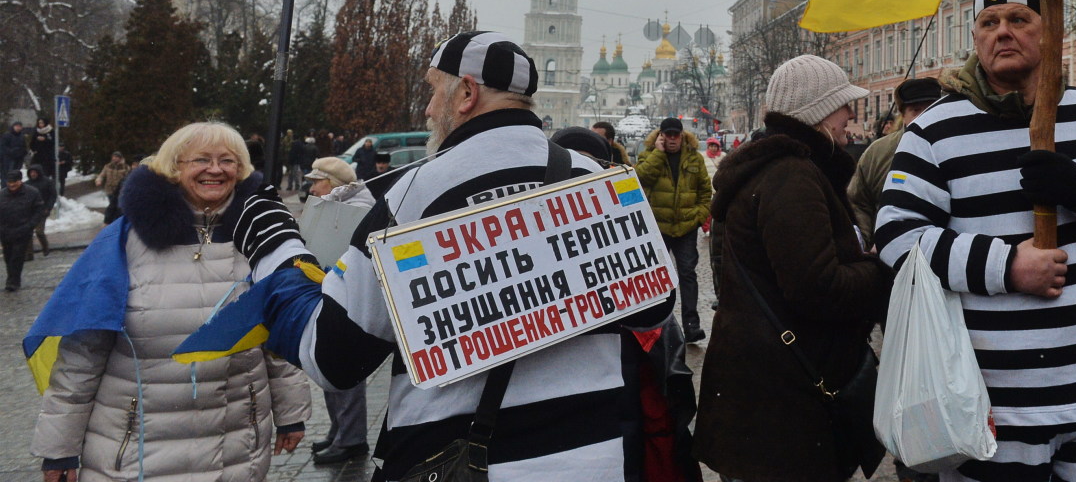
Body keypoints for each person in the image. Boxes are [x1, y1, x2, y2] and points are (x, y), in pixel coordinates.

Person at [225, 31, 674, 480]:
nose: (427, 108)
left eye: (432, 89)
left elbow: (333, 357)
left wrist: (276, 251)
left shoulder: (417, 195)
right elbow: (655, 308)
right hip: (593, 459)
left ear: (465, 93)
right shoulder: (595, 178)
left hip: (462, 463)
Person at [876, 0, 1076, 481]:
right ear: (975, 38)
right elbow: (897, 238)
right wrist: (1008, 266)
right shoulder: (933, 131)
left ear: (1048, 30)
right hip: (990, 409)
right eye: (989, 23)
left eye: (1018, 19)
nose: (1002, 32)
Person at [28, 121, 311, 481]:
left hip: (237, 449)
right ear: (173, 167)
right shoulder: (122, 244)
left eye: (227, 160)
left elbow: (278, 338)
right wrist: (59, 452)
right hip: (133, 453)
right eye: (201, 160)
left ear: (241, 170)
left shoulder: (263, 238)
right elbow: (82, 356)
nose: (215, 169)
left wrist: (291, 412)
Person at [694, 54, 893, 482]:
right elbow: (817, 286)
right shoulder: (791, 176)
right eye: (843, 105)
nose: (850, 116)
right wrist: (877, 269)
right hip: (784, 402)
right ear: (817, 111)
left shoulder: (779, 169)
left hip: (765, 391)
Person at [303, 156, 376, 465]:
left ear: (331, 184)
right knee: (330, 363)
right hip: (334, 292)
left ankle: (351, 438)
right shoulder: (340, 204)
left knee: (344, 366)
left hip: (350, 299)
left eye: (315, 182)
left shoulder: (356, 209)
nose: (311, 187)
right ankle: (341, 431)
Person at [638, 117, 712, 343]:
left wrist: (699, 217)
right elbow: (640, 179)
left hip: (686, 228)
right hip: (658, 227)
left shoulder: (694, 158)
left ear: (682, 135)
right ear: (660, 135)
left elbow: (705, 191)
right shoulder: (648, 156)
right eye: (667, 135)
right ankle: (659, 326)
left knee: (688, 275)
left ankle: (692, 326)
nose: (671, 139)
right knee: (659, 277)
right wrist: (658, 154)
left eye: (675, 135)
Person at [847, 76, 942, 247]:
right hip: (887, 262)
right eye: (916, 110)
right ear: (903, 115)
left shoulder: (956, 148)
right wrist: (867, 242)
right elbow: (859, 202)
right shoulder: (878, 153)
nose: (924, 117)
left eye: (931, 109)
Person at [1, 168, 43, 290]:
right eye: (9, 182)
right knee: (8, 257)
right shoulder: (2, 194)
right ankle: (12, 278)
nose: (11, 184)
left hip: (23, 230)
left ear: (20, 181)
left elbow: (38, 210)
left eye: (14, 182)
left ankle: (13, 282)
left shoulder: (32, 193)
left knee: (17, 256)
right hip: (5, 231)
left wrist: (30, 225)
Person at [26, 164, 55, 258]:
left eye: (34, 172)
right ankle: (29, 253)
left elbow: (52, 196)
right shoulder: (27, 184)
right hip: (30, 211)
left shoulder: (47, 182)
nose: (33, 174)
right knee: (28, 232)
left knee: (39, 231)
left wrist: (48, 207)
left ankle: (45, 247)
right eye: (31, 172)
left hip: (42, 210)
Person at [95, 151, 130, 225]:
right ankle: (113, 221)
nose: (114, 158)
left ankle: (114, 221)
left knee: (117, 206)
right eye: (113, 157)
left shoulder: (125, 167)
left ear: (120, 158)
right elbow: (102, 175)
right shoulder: (108, 166)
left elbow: (129, 177)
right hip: (109, 190)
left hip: (120, 190)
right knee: (113, 204)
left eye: (116, 157)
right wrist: (99, 180)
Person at [29, 118, 55, 183]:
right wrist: (34, 149)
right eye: (39, 123)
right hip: (38, 156)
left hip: (48, 156)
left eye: (42, 123)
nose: (40, 124)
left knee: (46, 172)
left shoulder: (51, 131)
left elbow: (53, 142)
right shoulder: (36, 131)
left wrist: (45, 140)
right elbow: (32, 143)